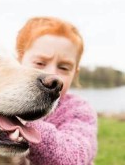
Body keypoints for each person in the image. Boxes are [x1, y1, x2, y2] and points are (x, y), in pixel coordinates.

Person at [16, 17, 97, 165]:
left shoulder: (78, 110)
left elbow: (73, 158)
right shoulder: (0, 102)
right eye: (40, 63)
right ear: (18, 61)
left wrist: (22, 123)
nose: (52, 75)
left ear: (75, 73)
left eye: (64, 68)